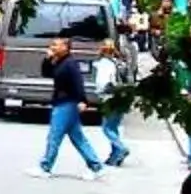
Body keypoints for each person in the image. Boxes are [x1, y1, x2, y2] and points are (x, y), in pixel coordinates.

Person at [37, 36, 110, 176]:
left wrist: (82, 100)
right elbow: (46, 73)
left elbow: (78, 83)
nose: (52, 47)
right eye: (52, 45)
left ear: (65, 47)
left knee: (54, 136)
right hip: (64, 103)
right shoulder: (60, 62)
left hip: (66, 104)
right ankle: (97, 166)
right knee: (78, 137)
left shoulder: (70, 64)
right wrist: (47, 59)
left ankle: (45, 166)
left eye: (56, 45)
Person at [87, 40, 134, 168]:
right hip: (122, 98)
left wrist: (100, 92)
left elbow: (103, 83)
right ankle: (115, 155)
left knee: (107, 128)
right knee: (113, 127)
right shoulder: (119, 62)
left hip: (109, 98)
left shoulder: (103, 64)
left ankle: (121, 148)